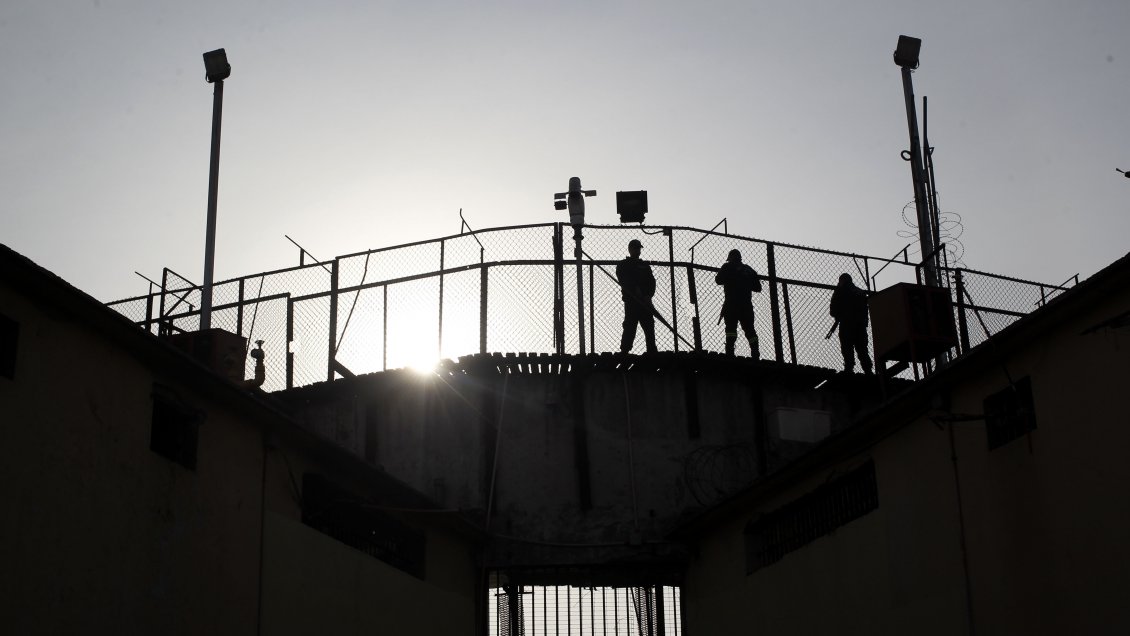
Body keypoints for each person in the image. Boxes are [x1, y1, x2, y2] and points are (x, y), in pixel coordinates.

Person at [715, 249, 762, 358]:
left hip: (731, 304)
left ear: (730, 258)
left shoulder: (727, 267)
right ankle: (755, 352)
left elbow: (718, 280)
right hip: (746, 305)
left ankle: (730, 352)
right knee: (750, 329)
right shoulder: (748, 270)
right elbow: (758, 287)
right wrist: (745, 282)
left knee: (731, 329)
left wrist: (731, 278)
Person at [616, 239, 657, 354]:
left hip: (645, 302)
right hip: (631, 301)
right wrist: (635, 289)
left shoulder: (644, 265)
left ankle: (652, 351)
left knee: (649, 326)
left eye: (639, 248)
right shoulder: (623, 265)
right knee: (630, 326)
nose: (638, 250)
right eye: (635, 248)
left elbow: (652, 281)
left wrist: (648, 295)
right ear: (630, 249)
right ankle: (625, 351)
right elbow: (623, 279)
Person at [828, 273, 874, 374]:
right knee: (862, 349)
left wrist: (840, 315)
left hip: (846, 324)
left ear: (841, 281)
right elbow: (865, 311)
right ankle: (868, 370)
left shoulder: (839, 291)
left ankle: (849, 368)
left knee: (847, 347)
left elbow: (833, 311)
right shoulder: (860, 292)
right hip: (860, 326)